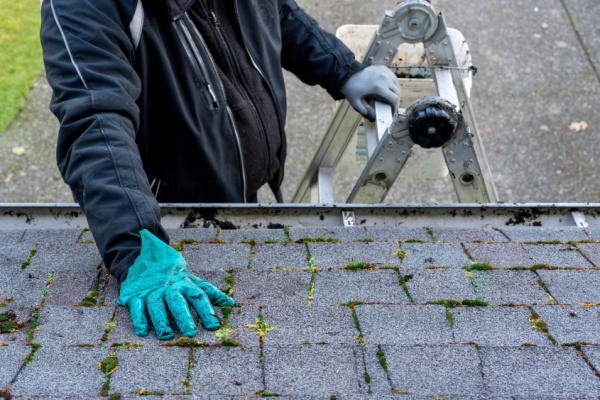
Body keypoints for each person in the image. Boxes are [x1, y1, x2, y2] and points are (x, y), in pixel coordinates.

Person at [40, 0, 400, 339]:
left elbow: (275, 12)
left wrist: (341, 69)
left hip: (243, 193)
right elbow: (95, 121)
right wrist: (137, 245)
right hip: (167, 223)